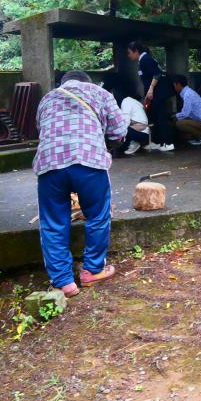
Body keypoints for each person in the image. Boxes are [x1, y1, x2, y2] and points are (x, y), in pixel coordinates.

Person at [34, 70, 128, 296]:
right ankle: (92, 270)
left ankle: (64, 282)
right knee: (97, 214)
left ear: (63, 83)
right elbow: (119, 132)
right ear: (89, 82)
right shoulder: (101, 93)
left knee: (53, 222)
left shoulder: (48, 98)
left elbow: (40, 129)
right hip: (89, 160)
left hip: (50, 163)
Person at [126, 41, 175, 152]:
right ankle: (157, 142)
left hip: (159, 93)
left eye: (129, 53)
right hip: (154, 94)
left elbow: (157, 73)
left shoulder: (145, 59)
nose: (128, 55)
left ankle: (168, 143)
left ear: (136, 51)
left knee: (161, 117)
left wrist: (151, 88)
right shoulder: (143, 60)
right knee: (155, 117)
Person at [171, 74, 201, 146]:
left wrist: (173, 116)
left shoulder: (188, 94)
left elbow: (185, 113)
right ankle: (195, 136)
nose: (174, 87)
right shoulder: (187, 92)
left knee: (180, 124)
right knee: (179, 120)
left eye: (174, 85)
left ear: (178, 84)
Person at [118, 90, 151, 155]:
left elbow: (126, 121)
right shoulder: (136, 102)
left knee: (120, 129)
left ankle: (133, 143)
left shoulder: (126, 101)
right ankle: (133, 143)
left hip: (140, 134)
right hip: (146, 134)